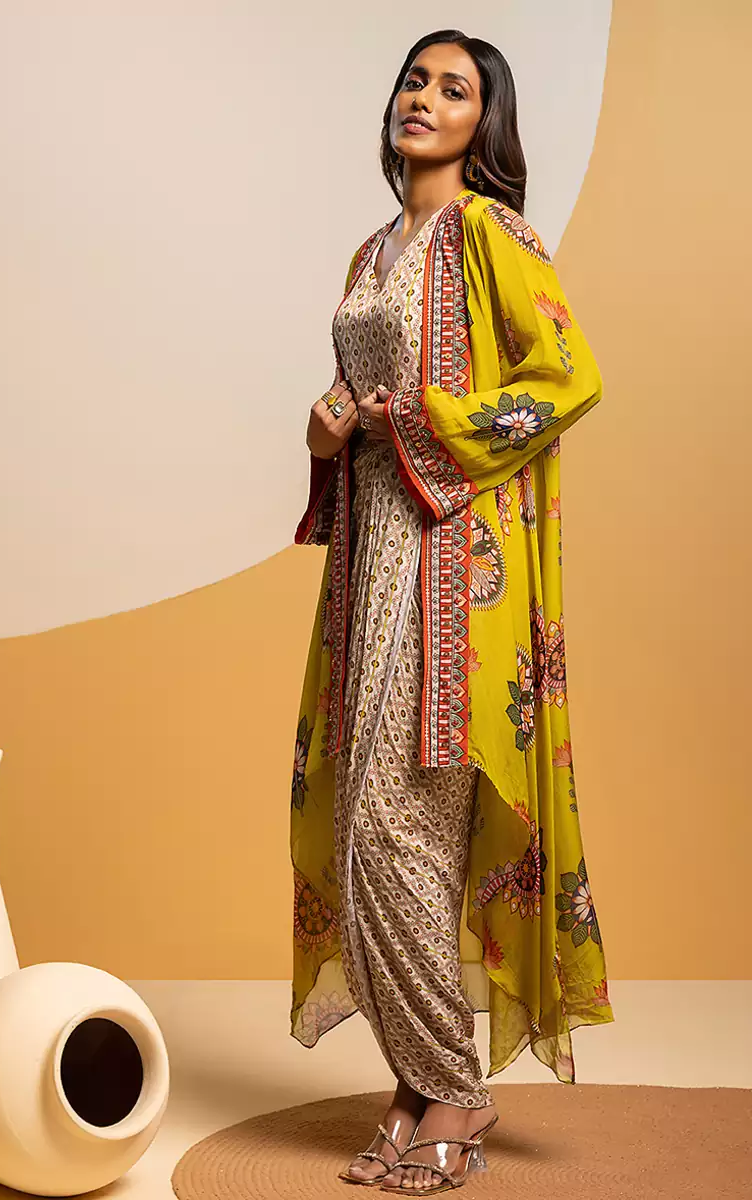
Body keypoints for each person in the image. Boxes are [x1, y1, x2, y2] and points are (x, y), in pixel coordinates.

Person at [288, 29, 614, 1193]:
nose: (422, 98)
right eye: (414, 81)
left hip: (453, 568)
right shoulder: (372, 250)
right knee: (355, 829)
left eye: (453, 88)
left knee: (404, 826)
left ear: (485, 121)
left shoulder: (490, 232)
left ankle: (454, 1095)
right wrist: (327, 427)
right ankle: (417, 1082)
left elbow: (567, 377)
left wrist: (417, 420)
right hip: (368, 561)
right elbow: (358, 399)